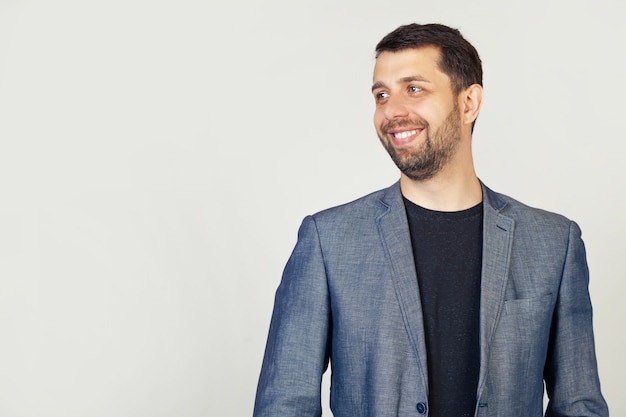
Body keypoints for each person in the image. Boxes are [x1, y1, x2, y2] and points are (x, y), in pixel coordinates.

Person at [252, 23, 608, 417]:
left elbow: (580, 406)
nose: (391, 111)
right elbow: (284, 406)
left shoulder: (554, 243)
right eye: (381, 94)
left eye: (414, 88)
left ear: (469, 103)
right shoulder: (327, 241)